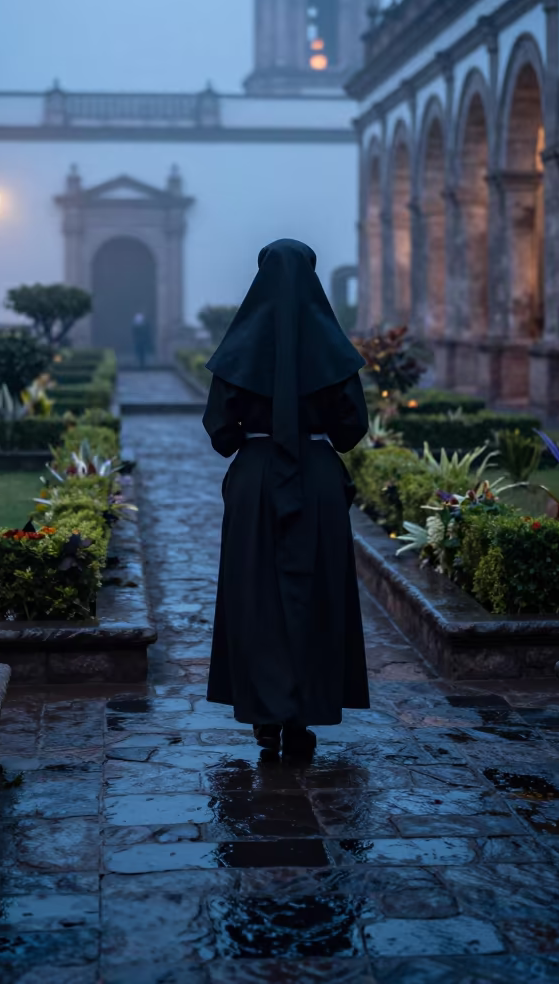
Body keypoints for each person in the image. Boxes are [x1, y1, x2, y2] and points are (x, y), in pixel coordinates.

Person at [202, 238, 370, 756]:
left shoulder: (240, 344)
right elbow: (352, 427)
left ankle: (264, 716)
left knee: (256, 598)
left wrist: (252, 440)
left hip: (255, 479)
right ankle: (303, 717)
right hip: (317, 481)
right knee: (313, 594)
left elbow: (219, 428)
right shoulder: (331, 346)